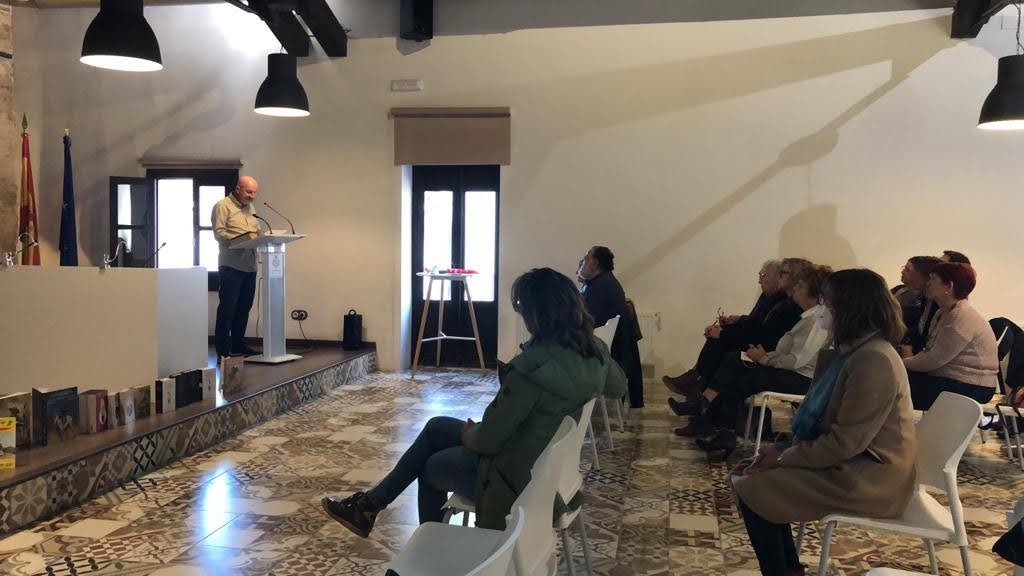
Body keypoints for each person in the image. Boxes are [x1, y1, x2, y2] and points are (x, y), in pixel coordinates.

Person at [322, 268, 626, 535]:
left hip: (509, 474)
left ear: (537, 316)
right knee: (436, 426)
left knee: (428, 467)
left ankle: (429, 551)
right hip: (542, 463)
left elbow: (489, 440)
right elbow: (618, 386)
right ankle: (369, 506)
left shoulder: (529, 371)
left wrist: (471, 434)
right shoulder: (595, 351)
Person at [731, 268, 917, 576]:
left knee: (755, 488)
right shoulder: (850, 353)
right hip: (849, 462)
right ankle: (789, 569)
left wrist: (784, 458)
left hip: (871, 476)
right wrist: (779, 449)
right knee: (750, 477)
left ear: (848, 309)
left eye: (826, 304)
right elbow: (820, 422)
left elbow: (845, 441)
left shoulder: (874, 360)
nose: (820, 311)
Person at [672, 265, 832, 443]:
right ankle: (709, 416)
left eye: (800, 286)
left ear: (813, 293)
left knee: (737, 373)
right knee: (733, 363)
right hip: (789, 371)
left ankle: (711, 418)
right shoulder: (807, 316)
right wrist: (763, 356)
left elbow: (795, 360)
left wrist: (763, 358)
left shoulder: (815, 321)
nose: (796, 289)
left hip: (800, 379)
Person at [666, 258, 809, 398]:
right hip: (760, 343)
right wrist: (736, 321)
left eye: (763, 275)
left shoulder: (787, 303)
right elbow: (756, 322)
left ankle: (700, 388)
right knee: (720, 339)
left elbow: (764, 333)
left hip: (765, 349)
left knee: (725, 349)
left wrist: (723, 334)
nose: (759, 280)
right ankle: (698, 385)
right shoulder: (770, 297)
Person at [901, 263, 998, 409]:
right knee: (897, 379)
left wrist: (900, 363)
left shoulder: (961, 317)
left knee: (897, 383)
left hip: (972, 387)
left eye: (933, 279)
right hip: (953, 380)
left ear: (949, 286)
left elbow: (933, 360)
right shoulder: (944, 312)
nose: (928, 283)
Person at [212, 176, 262, 358]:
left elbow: (256, 230)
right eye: (249, 192)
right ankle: (223, 351)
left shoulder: (251, 208)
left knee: (244, 308)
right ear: (238, 188)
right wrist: (240, 240)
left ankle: (238, 345)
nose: (252, 196)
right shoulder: (223, 206)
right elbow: (219, 233)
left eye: (254, 193)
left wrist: (261, 237)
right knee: (227, 309)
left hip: (250, 265)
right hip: (231, 266)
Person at [892, 256, 942, 351]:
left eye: (907, 270)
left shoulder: (939, 304)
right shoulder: (924, 299)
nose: (902, 272)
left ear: (924, 277)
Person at [578, 246, 627, 328]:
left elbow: (584, 320)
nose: (583, 262)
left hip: (597, 333)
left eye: (586, 259)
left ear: (595, 264)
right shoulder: (604, 280)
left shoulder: (600, 286)